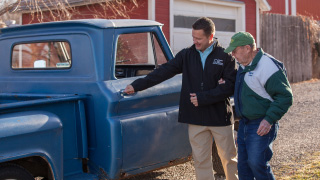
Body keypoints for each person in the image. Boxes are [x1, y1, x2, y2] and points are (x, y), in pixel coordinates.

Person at [124, 17, 238, 180]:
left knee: (228, 159)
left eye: (199, 38)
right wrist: (137, 85)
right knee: (200, 161)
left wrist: (203, 98)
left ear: (211, 37)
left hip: (220, 117)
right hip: (196, 117)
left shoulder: (226, 57)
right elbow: (164, 71)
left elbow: (229, 86)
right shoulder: (186, 55)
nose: (195, 42)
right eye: (193, 37)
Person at [224, 32, 293, 180]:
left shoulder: (268, 66)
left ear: (247, 48)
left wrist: (269, 119)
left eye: (235, 51)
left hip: (261, 122)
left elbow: (285, 96)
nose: (233, 55)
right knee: (243, 167)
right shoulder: (244, 65)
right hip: (244, 123)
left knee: (256, 164)